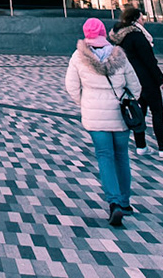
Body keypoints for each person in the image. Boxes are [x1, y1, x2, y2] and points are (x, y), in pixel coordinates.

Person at [64, 17, 136, 227]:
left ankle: (114, 203)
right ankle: (125, 202)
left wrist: (85, 103)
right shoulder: (118, 54)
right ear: (104, 33)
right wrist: (128, 103)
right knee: (122, 156)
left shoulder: (79, 56)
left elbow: (71, 87)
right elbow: (135, 85)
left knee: (105, 156)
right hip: (120, 115)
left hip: (95, 115)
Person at [110, 5, 163, 156]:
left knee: (140, 112)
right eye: (141, 17)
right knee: (157, 112)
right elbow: (149, 60)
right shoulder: (137, 36)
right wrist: (160, 79)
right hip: (147, 80)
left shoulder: (120, 38)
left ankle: (141, 146)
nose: (143, 20)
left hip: (132, 80)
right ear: (135, 20)